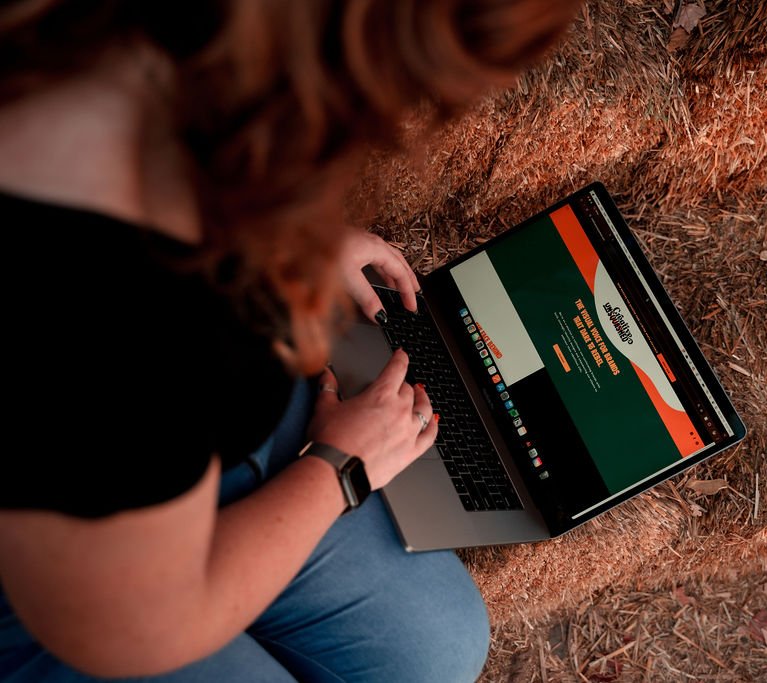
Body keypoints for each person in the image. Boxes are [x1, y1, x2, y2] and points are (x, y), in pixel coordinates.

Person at [0, 1, 580, 681]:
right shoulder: (120, 305)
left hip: (167, 459)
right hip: (68, 591)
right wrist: (341, 468)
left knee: (440, 645)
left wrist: (282, 236)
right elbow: (135, 632)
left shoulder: (140, 50)